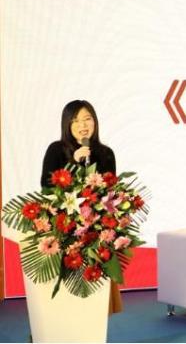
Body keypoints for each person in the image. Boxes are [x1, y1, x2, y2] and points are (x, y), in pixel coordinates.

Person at [40, 100, 122, 314]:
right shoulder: (57, 150)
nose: (82, 125)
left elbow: (110, 191)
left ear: (95, 122)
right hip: (64, 229)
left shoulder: (106, 153)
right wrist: (74, 163)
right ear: (67, 124)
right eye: (75, 120)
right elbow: (47, 188)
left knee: (94, 292)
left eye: (87, 119)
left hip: (95, 231)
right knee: (67, 297)